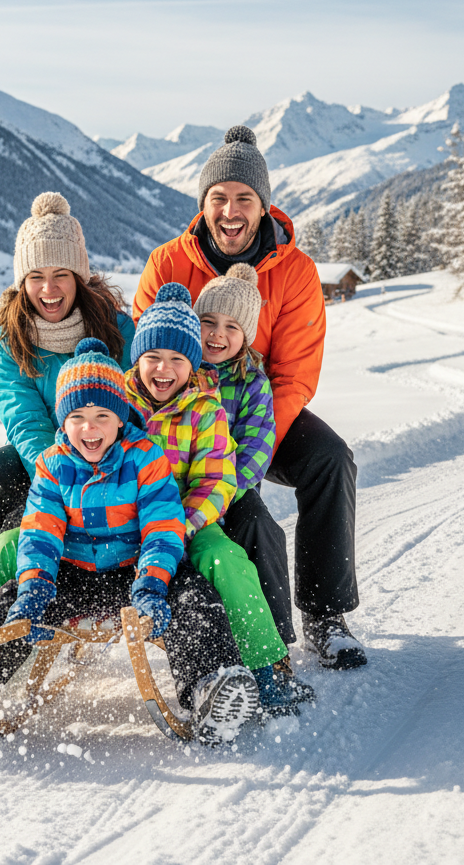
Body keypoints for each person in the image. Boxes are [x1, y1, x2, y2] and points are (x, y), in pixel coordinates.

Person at [0, 339, 260, 745]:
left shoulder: (146, 458)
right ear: (63, 422)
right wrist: (34, 585)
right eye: (77, 416)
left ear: (120, 419)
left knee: (194, 598)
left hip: (137, 573)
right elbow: (39, 532)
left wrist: (153, 581)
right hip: (73, 576)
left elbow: (163, 527)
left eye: (102, 415)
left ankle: (208, 691)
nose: (89, 428)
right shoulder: (53, 464)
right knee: (8, 602)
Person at [133, 126, 366, 669]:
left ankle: (325, 615)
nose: (230, 211)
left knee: (331, 459)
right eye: (219, 197)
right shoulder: (168, 263)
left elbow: (293, 376)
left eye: (244, 198)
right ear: (203, 204)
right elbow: (143, 357)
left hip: (255, 411)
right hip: (181, 416)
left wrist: (244, 457)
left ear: (264, 206)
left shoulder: (296, 271)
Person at [125, 282, 307, 714]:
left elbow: (223, 472)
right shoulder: (118, 405)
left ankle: (268, 665)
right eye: (153, 357)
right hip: (125, 524)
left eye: (177, 359)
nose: (164, 369)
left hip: (196, 515)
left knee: (232, 555)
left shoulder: (211, 404)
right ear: (136, 359)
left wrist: (188, 521)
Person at [0, 191, 135, 613]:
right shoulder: (6, 339)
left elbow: (134, 406)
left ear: (79, 278)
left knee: (26, 521)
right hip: (40, 457)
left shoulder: (116, 330)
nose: (48, 289)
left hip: (111, 454)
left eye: (61, 275)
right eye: (36, 276)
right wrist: (57, 481)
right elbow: (25, 421)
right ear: (22, 281)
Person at [194, 263, 296, 648]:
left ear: (247, 335)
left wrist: (221, 495)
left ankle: (275, 640)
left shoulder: (252, 382)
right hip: (177, 486)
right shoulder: (180, 370)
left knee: (260, 527)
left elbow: (256, 448)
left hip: (230, 488)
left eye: (231, 326)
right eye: (208, 321)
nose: (217, 334)